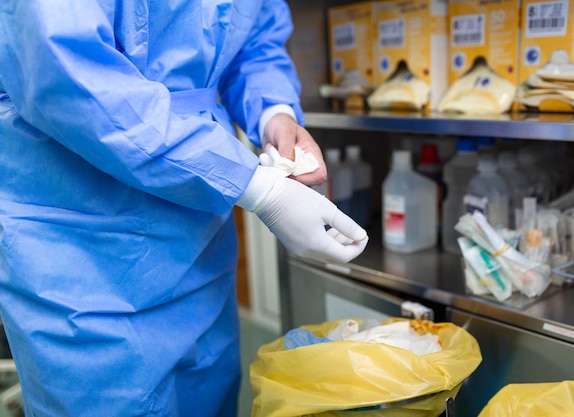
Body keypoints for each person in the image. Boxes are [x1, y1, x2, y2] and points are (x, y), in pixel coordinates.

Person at [0, 1, 368, 416]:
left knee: (208, 392)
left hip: (198, 240)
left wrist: (274, 113)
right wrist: (261, 189)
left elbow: (253, 40)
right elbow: (67, 73)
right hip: (79, 246)